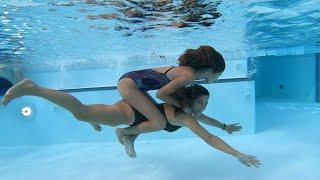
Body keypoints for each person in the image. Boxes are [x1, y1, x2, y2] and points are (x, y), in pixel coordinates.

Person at [1, 80, 260, 167]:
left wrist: (225, 126)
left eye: (205, 103)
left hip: (140, 117)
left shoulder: (188, 112)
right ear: (191, 100)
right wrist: (237, 153)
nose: (204, 108)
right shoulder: (183, 116)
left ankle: (127, 136)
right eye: (202, 103)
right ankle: (33, 89)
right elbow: (208, 138)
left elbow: (209, 124)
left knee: (88, 116)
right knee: (81, 112)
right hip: (129, 113)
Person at [116, 45, 226, 139]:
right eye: (219, 75)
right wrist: (182, 106)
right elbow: (160, 94)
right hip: (129, 85)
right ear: (211, 70)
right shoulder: (189, 76)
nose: (218, 78)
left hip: (131, 81)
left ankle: (130, 137)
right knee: (159, 123)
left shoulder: (188, 71)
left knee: (154, 115)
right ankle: (123, 132)